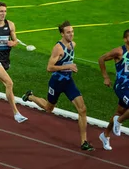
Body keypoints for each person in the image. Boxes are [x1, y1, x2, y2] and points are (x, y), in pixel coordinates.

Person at [22, 21, 95, 151]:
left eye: (72, 31)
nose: (71, 34)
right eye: (68, 32)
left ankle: (84, 142)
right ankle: (30, 96)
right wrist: (68, 66)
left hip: (68, 82)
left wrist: (69, 68)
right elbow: (49, 68)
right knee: (49, 108)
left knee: (82, 109)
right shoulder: (58, 48)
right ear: (62, 33)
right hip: (56, 83)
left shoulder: (73, 45)